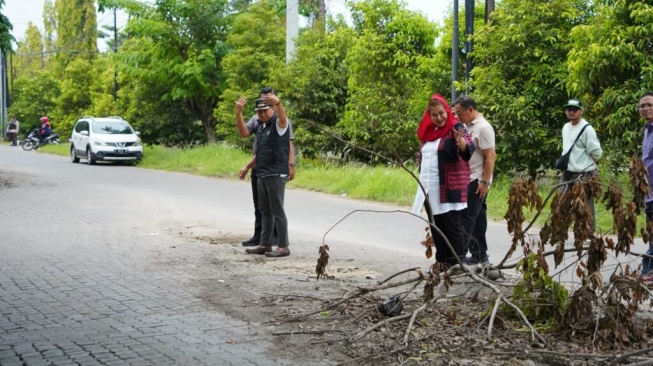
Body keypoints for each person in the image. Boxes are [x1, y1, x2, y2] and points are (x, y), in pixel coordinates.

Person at [411, 94, 474, 269]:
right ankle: (442, 263)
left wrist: (459, 139)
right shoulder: (429, 133)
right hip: (430, 189)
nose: (439, 118)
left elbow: (468, 152)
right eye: (434, 115)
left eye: (441, 113)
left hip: (450, 187)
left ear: (447, 110)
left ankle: (457, 264)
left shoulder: (456, 127)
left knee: (453, 227)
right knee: (437, 227)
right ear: (429, 116)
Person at [235, 90, 292, 258]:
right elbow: (259, 153)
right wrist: (247, 167)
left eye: (264, 111)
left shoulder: (279, 125)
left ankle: (283, 246)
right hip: (262, 172)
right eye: (258, 112)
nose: (261, 114)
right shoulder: (261, 127)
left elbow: (283, 119)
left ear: (272, 109)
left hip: (276, 173)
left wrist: (278, 102)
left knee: (277, 210)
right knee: (264, 211)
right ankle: (265, 244)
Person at [453, 95, 496, 266]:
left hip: (476, 180)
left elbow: (490, 156)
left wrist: (485, 182)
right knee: (478, 218)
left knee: (466, 218)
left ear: (470, 109)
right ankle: (480, 255)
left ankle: (458, 257)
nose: (457, 117)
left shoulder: (484, 128)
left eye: (460, 113)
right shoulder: (465, 126)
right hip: (466, 178)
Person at [557, 99, 603, 236]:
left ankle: (588, 232)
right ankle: (561, 231)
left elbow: (597, 153)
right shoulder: (566, 127)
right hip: (568, 172)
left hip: (584, 174)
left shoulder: (587, 129)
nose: (571, 112)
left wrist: (590, 165)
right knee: (562, 201)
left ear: (581, 111)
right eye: (568, 109)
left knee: (585, 204)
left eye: (574, 109)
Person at [638, 91, 653, 283]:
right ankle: (648, 272)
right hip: (649, 192)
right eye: (642, 106)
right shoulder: (647, 130)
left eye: (649, 105)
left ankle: (647, 271)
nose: (645, 108)